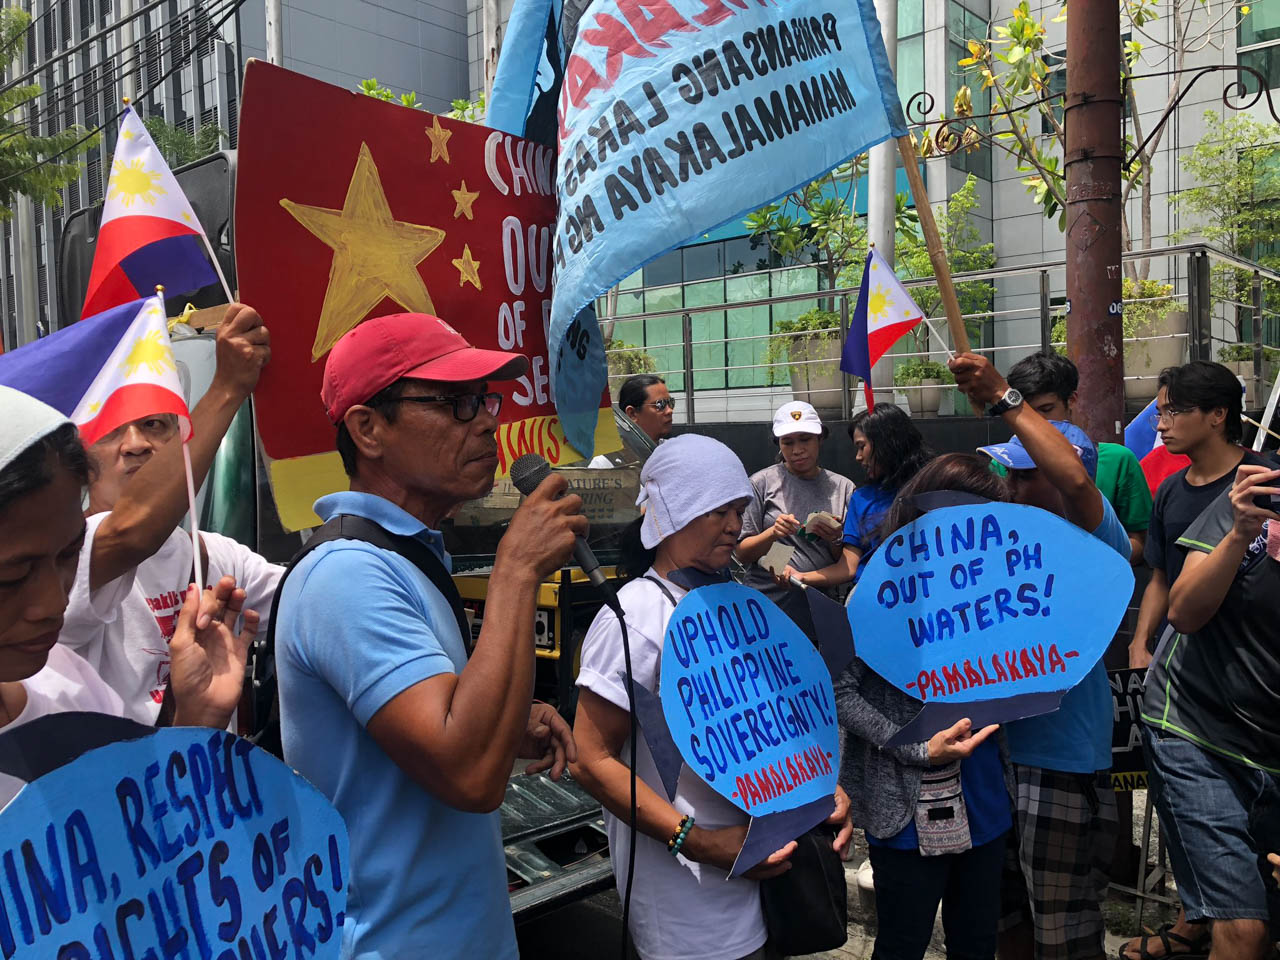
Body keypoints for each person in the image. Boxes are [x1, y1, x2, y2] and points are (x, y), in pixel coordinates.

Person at [273, 313, 586, 959]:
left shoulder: (404, 558)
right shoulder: (346, 576)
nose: (486, 421)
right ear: (367, 428)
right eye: (453, 403)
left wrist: (507, 718)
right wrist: (515, 572)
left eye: (485, 400)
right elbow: (469, 775)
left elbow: (438, 724)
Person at [570, 434, 853, 960]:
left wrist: (820, 790)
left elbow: (776, 721)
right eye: (716, 510)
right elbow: (590, 759)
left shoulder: (742, 603)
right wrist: (695, 841)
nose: (732, 525)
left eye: (739, 509)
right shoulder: (633, 617)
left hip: (767, 891)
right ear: (672, 510)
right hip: (687, 913)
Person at [950, 351, 1131, 960]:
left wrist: (1004, 395)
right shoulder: (1000, 544)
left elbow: (1079, 483)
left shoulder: (1094, 536)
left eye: (1026, 475)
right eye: (1010, 474)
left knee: (1065, 932)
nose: (1011, 487)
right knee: (1009, 925)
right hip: (996, 755)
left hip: (1060, 762)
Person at [0, 385, 257, 807]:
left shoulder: (72, 692)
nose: (52, 604)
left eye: (69, 556)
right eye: (13, 575)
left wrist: (195, 723)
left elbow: (145, 844)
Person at [56, 303, 280, 723]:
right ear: (79, 456)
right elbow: (129, 533)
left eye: (155, 425)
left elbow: (309, 603)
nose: (137, 444)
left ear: (183, 439)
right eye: (111, 430)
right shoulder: (67, 557)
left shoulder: (219, 557)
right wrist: (228, 387)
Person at [1119, 361, 1273, 960]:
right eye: (1158, 410)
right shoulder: (1172, 491)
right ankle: (1194, 924)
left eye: (1172, 410)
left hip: (1257, 693)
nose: (1160, 422)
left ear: (1217, 415)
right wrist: (1141, 641)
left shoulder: (1266, 480)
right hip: (1187, 699)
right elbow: (1161, 576)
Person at [836, 452, 1012, 960]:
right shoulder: (878, 591)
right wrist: (915, 747)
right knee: (902, 944)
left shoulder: (998, 591)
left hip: (985, 802)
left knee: (978, 943)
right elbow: (841, 692)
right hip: (905, 813)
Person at [1005, 351, 1151, 561]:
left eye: (1046, 409)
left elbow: (1140, 541)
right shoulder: (1004, 461)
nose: (1038, 423)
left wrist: (1095, 562)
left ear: (1072, 399)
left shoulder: (1119, 461)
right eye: (1027, 414)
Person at [735, 401, 854, 639]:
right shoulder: (760, 483)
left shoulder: (843, 488)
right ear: (778, 445)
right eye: (787, 442)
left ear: (820, 439)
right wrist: (773, 533)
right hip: (763, 612)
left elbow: (846, 563)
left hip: (817, 614)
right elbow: (742, 554)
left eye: (805, 439)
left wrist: (834, 538)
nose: (797, 450)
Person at [789, 404, 932, 591]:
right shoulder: (861, 498)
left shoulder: (934, 485)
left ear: (887, 442)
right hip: (872, 603)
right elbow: (848, 567)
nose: (858, 457)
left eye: (861, 446)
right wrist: (801, 577)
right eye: (788, 442)